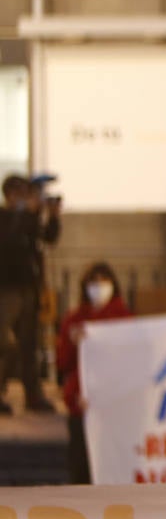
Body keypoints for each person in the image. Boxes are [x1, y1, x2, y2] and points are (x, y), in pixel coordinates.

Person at [55, 262, 133, 484]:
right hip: (82, 408)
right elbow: (63, 364)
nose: (98, 287)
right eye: (93, 282)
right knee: (81, 471)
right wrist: (70, 342)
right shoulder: (74, 320)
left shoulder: (125, 320)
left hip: (114, 410)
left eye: (103, 282)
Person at [0, 174, 58, 413]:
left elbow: (48, 238)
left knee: (29, 343)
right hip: (7, 288)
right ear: (10, 195)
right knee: (5, 343)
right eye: (21, 194)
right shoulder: (4, 218)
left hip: (29, 287)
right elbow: (9, 241)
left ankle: (33, 394)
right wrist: (27, 214)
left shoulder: (28, 219)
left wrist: (52, 216)